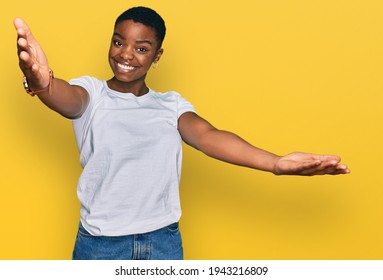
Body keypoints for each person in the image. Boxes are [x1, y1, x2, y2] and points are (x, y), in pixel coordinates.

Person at [14, 6, 350, 260]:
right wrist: (41, 81)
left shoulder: (171, 105)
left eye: (141, 48)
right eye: (118, 42)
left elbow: (208, 136)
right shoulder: (92, 94)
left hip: (163, 242)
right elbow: (64, 97)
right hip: (100, 244)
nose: (126, 54)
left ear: (157, 55)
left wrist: (276, 163)